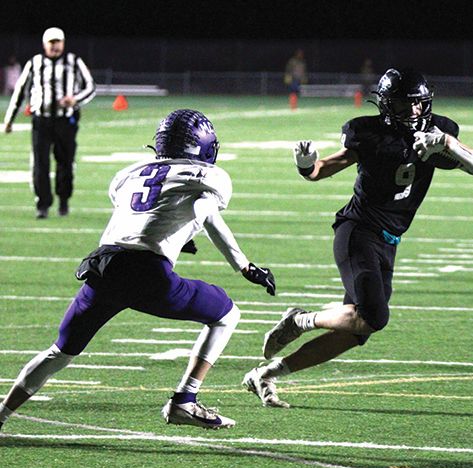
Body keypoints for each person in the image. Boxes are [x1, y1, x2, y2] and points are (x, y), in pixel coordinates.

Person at [0, 109, 278, 432]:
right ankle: (185, 401)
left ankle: (2, 413)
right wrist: (244, 265)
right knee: (227, 314)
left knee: (59, 353)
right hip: (149, 274)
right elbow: (205, 211)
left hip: (103, 267)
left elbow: (140, 212)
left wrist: (177, 232)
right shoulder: (210, 176)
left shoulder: (129, 173)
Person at [241, 68, 473, 408]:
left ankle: (267, 374)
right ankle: (300, 319)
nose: (415, 112)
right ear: (387, 107)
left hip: (389, 240)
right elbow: (322, 170)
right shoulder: (369, 134)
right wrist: (306, 165)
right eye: (405, 106)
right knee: (374, 316)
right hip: (358, 231)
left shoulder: (438, 133)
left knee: (357, 331)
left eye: (418, 104)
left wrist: (446, 144)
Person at [3, 27, 95, 219]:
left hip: (66, 121)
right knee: (40, 163)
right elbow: (20, 90)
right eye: (51, 42)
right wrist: (9, 119)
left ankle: (63, 201)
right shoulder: (35, 63)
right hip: (41, 120)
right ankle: (43, 204)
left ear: (63, 43)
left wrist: (75, 99)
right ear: (45, 44)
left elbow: (90, 87)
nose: (55, 46)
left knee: (66, 162)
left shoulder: (74, 61)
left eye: (58, 42)